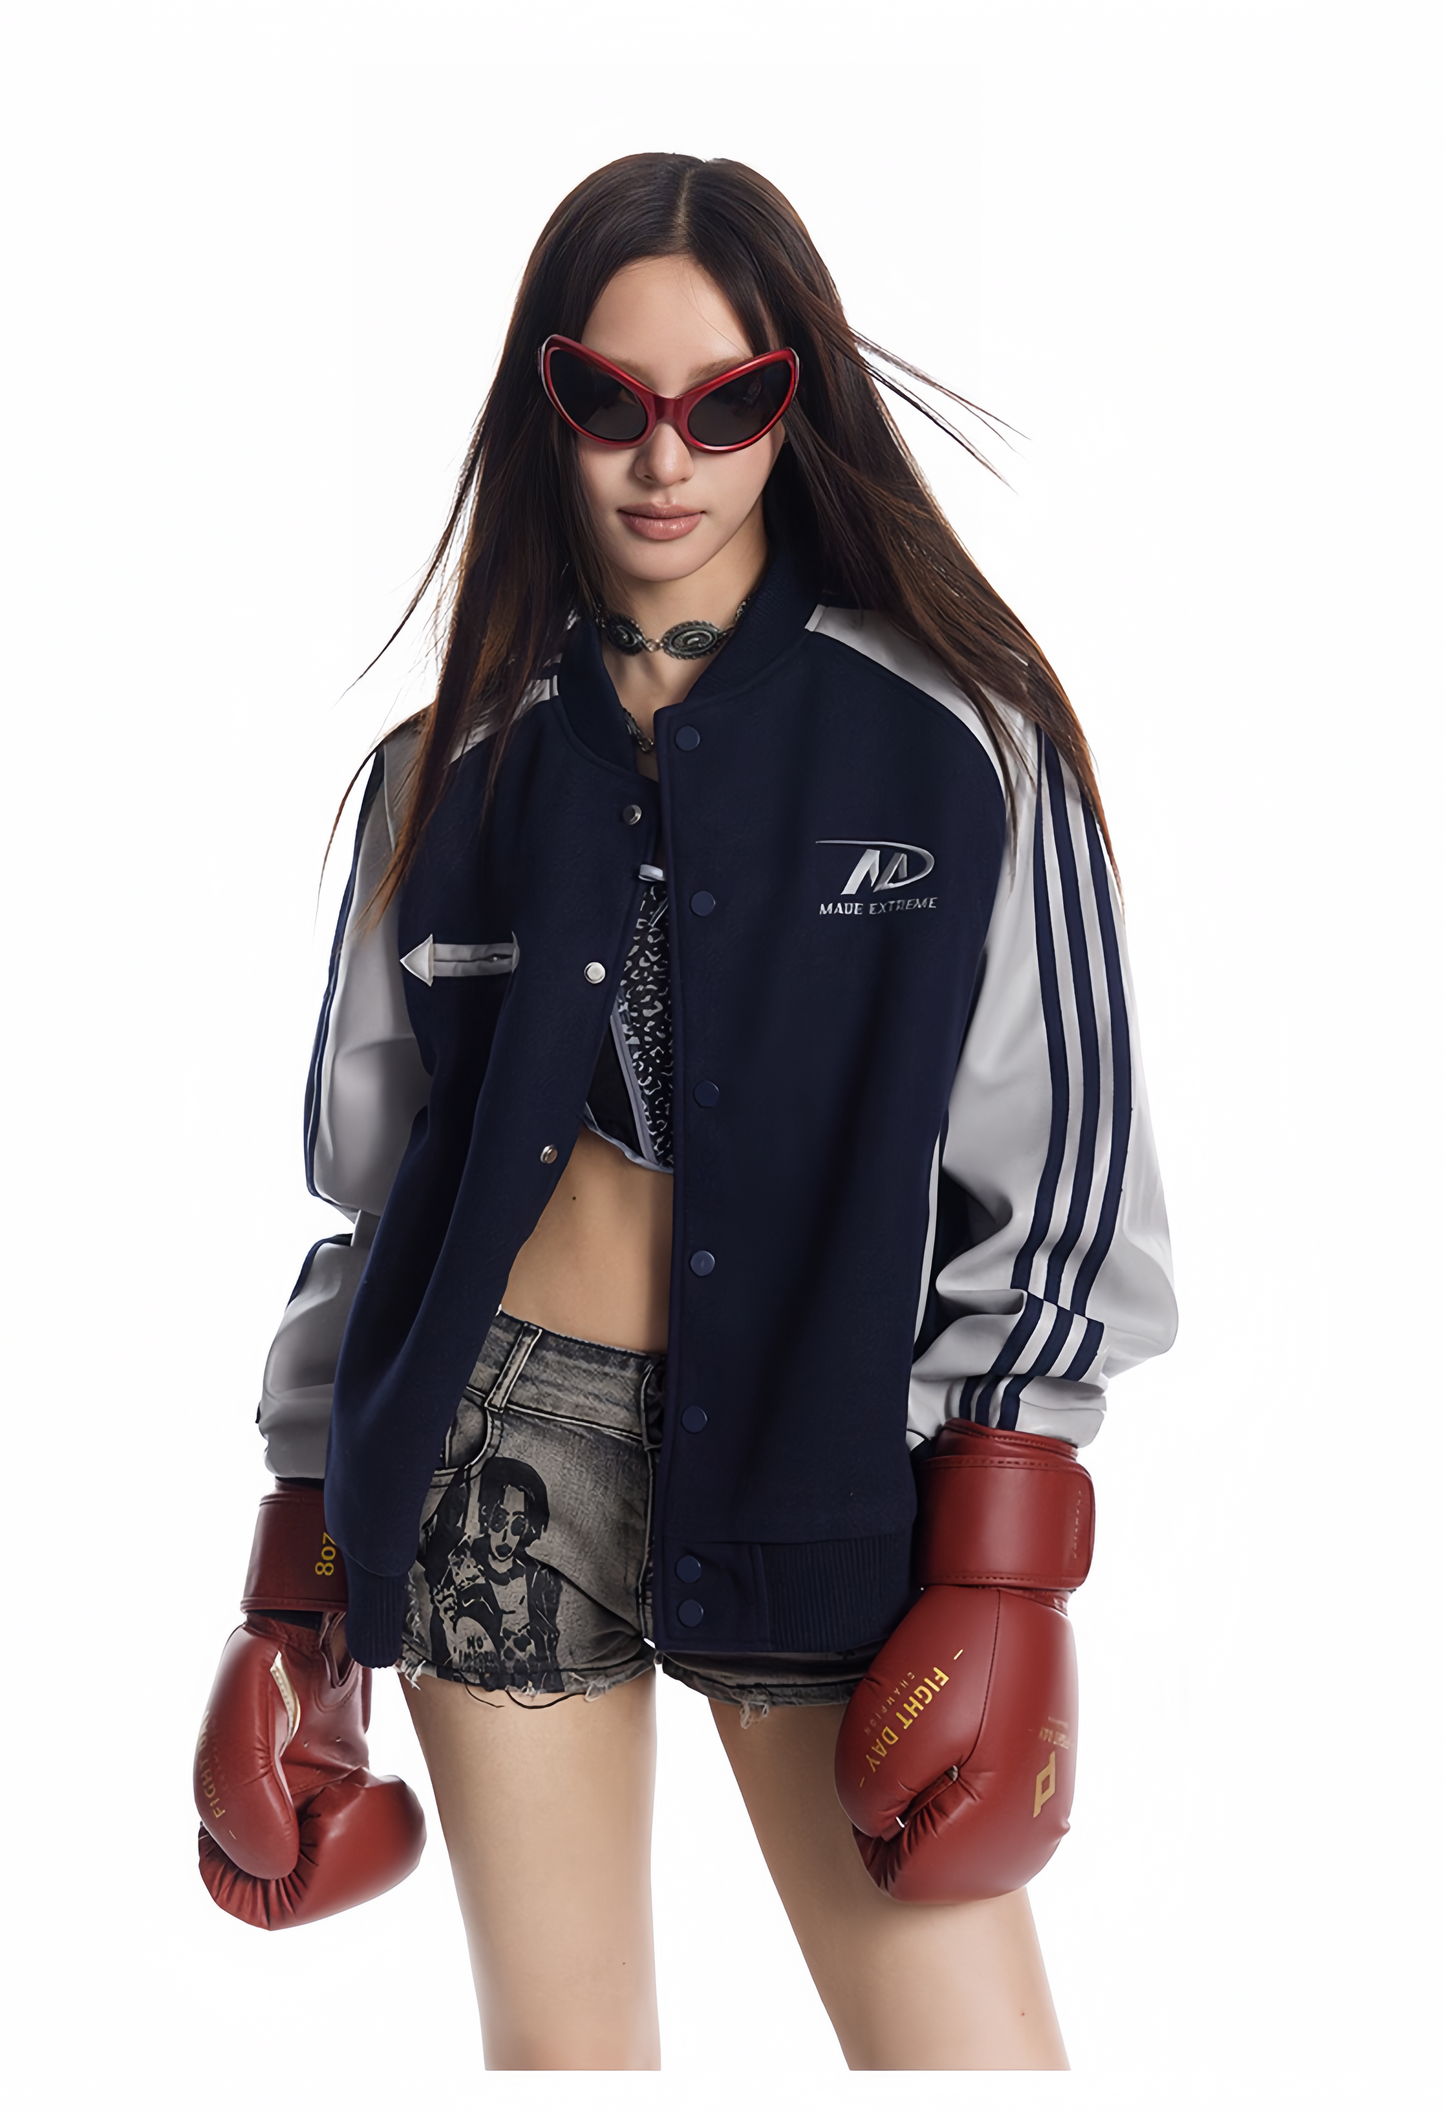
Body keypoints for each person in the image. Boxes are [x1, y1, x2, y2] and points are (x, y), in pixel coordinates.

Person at [195, 152, 1176, 2070]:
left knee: (970, 2066)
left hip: (826, 1452)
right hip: (488, 1446)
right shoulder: (441, 769)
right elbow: (372, 1201)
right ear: (544, 404)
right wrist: (291, 1583)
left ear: (797, 400)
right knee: (565, 2067)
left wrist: (1007, 1554)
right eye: (610, 401)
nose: (667, 459)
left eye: (727, 402)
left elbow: (1066, 1167)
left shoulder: (964, 743)